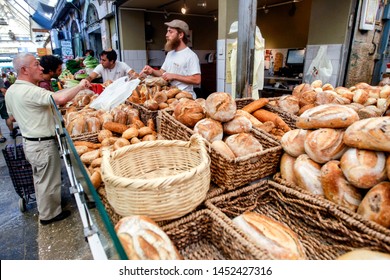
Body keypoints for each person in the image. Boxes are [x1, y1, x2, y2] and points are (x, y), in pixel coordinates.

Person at [5, 53, 91, 225]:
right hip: (42, 143)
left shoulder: (12, 91)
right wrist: (81, 85)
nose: (41, 68)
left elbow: (12, 117)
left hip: (30, 142)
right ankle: (49, 215)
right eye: (36, 64)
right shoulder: (30, 90)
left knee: (41, 179)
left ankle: (45, 208)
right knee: (48, 181)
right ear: (24, 70)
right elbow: (60, 99)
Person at [141, 19, 201, 99]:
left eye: (170, 32)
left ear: (180, 35)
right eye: (167, 31)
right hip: (171, 97)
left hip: (186, 98)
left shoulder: (191, 56)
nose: (166, 35)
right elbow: (162, 72)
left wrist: (174, 76)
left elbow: (197, 80)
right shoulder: (170, 53)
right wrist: (152, 71)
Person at [0, 78, 15, 143]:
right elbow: (3, 90)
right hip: (1, 101)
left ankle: (0, 136)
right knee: (7, 117)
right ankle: (11, 131)